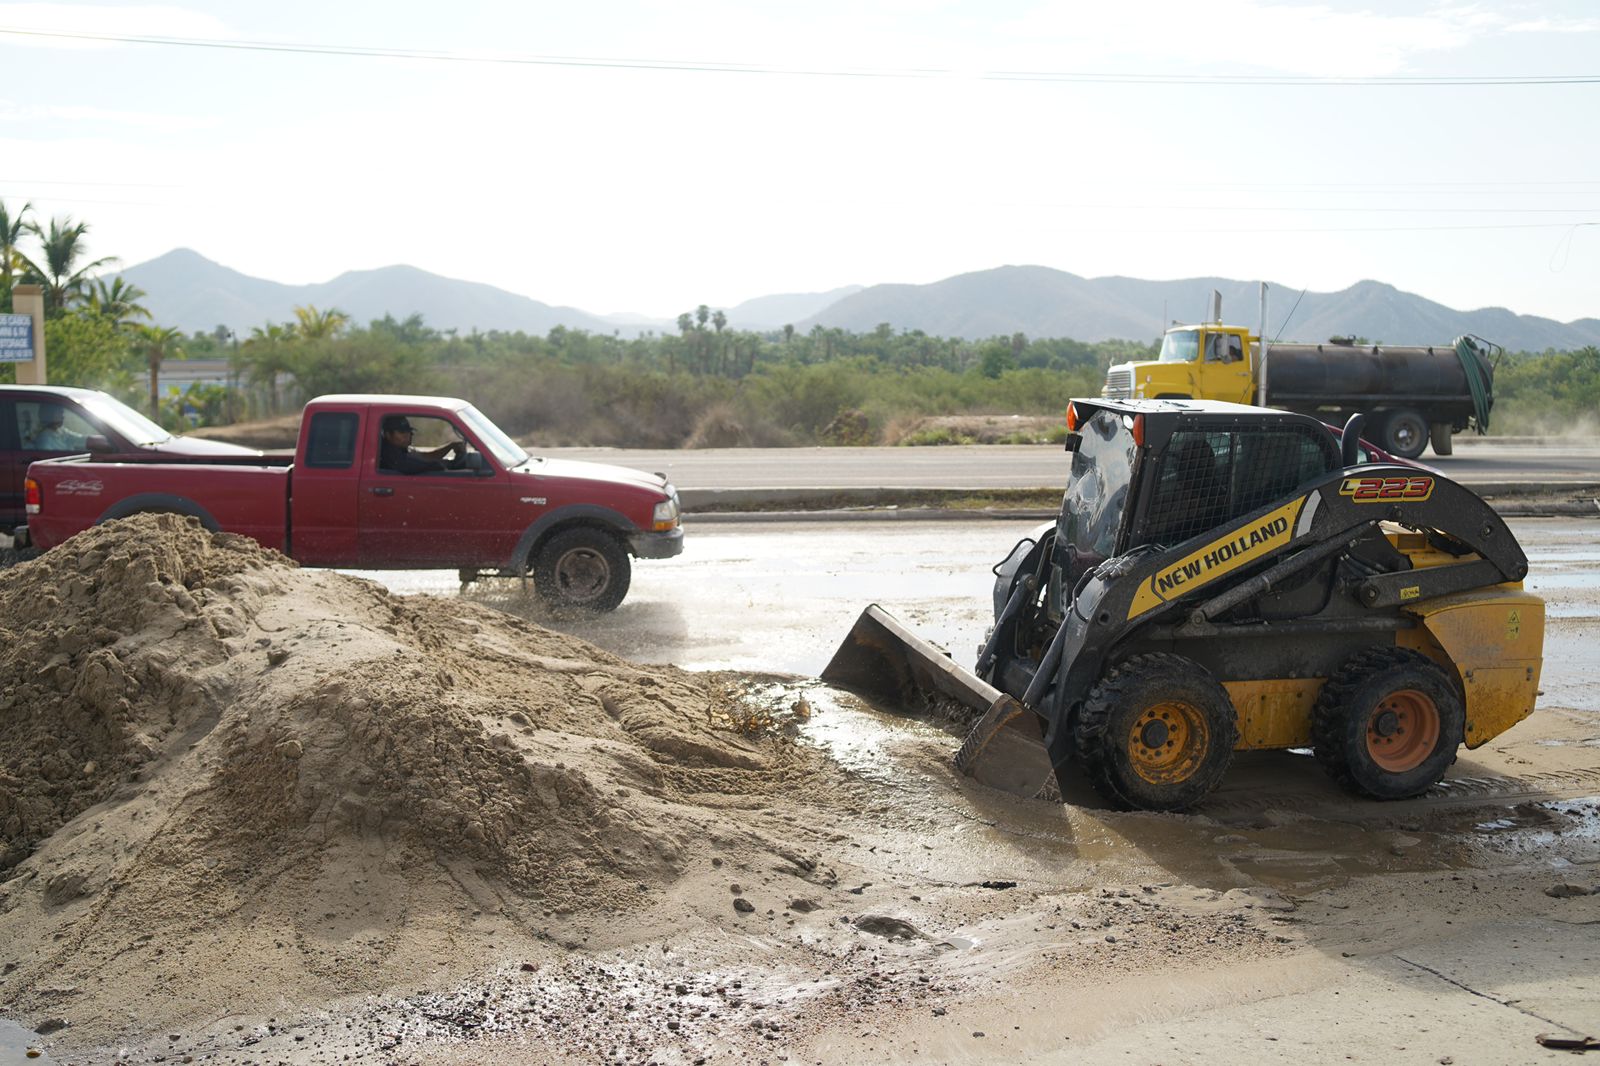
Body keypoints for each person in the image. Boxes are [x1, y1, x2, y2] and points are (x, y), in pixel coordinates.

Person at [378, 415, 466, 474]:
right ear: (388, 435)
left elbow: (426, 457)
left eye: (409, 432)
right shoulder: (387, 454)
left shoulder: (399, 449)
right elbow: (409, 466)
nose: (408, 435)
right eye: (402, 432)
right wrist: (437, 466)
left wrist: (450, 446)